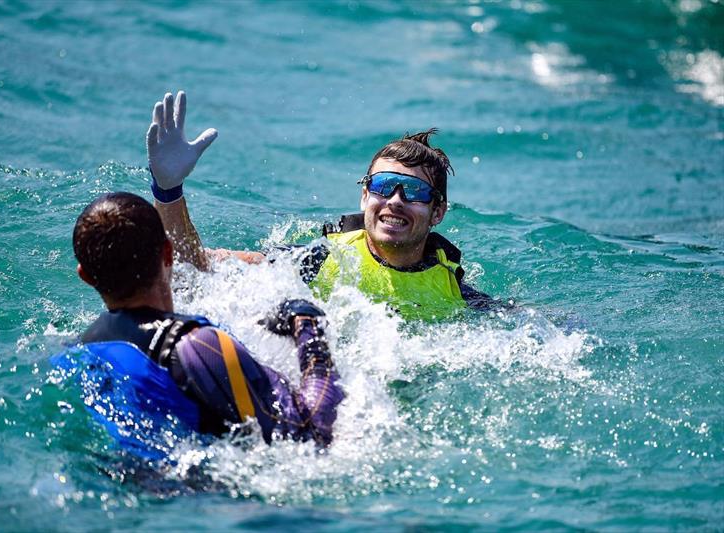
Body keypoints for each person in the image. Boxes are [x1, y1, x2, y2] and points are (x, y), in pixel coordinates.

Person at [147, 91, 497, 322]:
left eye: (414, 191)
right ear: (364, 196)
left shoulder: (458, 294)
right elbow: (196, 267)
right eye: (383, 186)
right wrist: (168, 191)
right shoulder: (318, 260)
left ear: (438, 212)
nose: (394, 200)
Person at [70, 191, 344, 447]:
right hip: (205, 492)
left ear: (84, 275)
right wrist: (307, 326)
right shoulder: (201, 347)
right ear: (168, 253)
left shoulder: (80, 348)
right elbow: (311, 431)